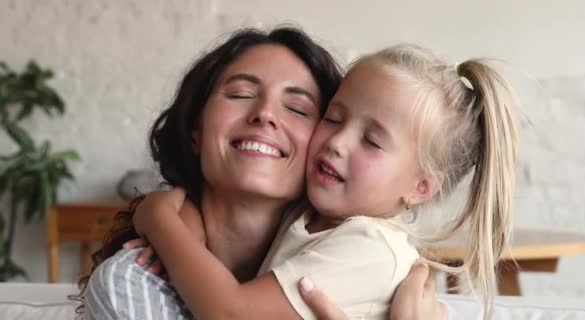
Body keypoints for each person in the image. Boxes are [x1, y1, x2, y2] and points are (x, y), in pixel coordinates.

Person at [78, 27, 447, 320]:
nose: (265, 114)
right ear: (196, 131)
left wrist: (158, 217)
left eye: (297, 108)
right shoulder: (132, 280)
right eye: (239, 94)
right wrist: (165, 218)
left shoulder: (361, 255)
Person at [129, 43, 519, 320]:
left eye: (371, 141)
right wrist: (186, 227)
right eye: (333, 118)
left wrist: (157, 219)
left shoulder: (370, 248)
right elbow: (211, 212)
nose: (336, 142)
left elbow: (232, 312)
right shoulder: (313, 214)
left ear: (421, 187)